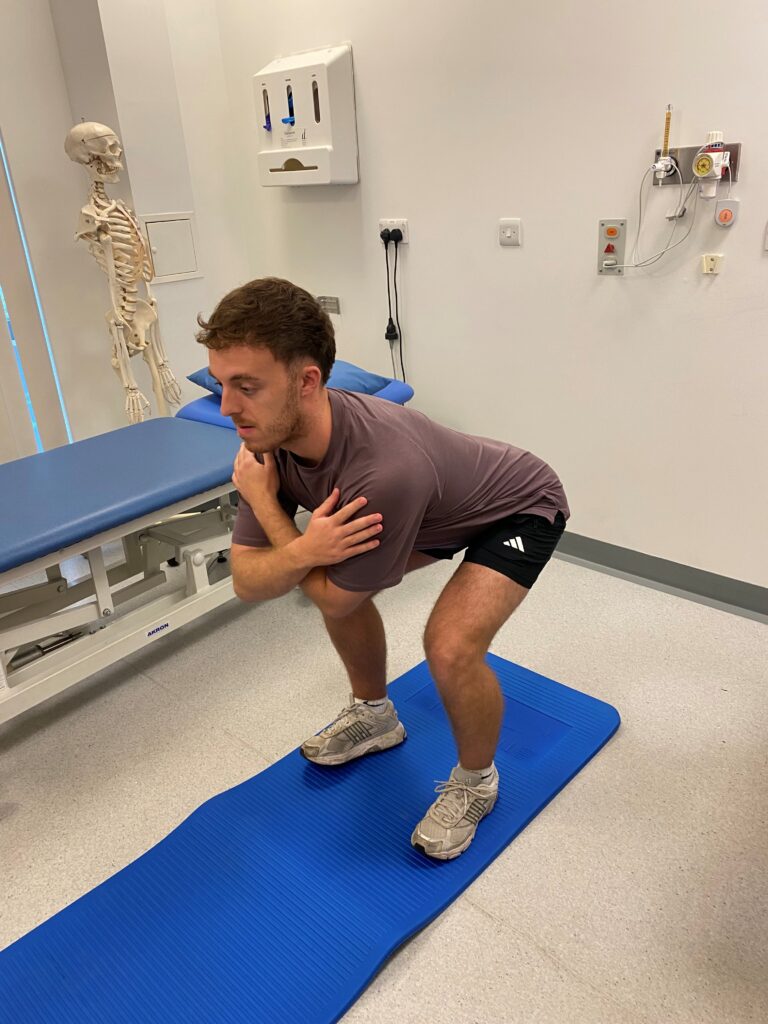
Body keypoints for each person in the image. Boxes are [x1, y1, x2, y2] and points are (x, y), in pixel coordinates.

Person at [196, 277, 569, 861]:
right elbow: (247, 582)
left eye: (247, 386)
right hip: (428, 514)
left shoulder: (381, 470)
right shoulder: (265, 441)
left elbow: (329, 598)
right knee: (336, 576)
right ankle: (375, 716)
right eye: (221, 384)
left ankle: (478, 782)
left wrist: (270, 509)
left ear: (308, 381)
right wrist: (305, 549)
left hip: (516, 508)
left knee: (447, 646)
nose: (227, 407)